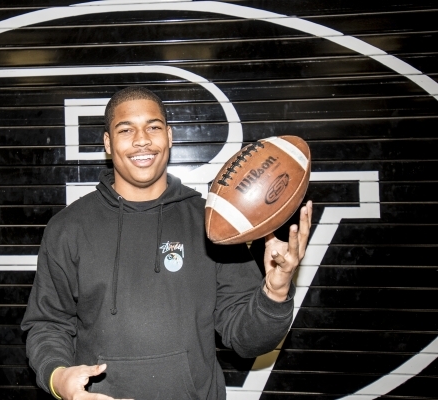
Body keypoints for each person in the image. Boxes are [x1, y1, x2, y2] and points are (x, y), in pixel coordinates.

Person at [21, 86, 313, 400]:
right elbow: (47, 323)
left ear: (169, 137)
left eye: (153, 127)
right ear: (108, 143)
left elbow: (248, 341)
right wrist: (58, 377)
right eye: (126, 129)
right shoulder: (68, 228)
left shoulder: (213, 226)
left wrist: (275, 291)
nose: (142, 139)